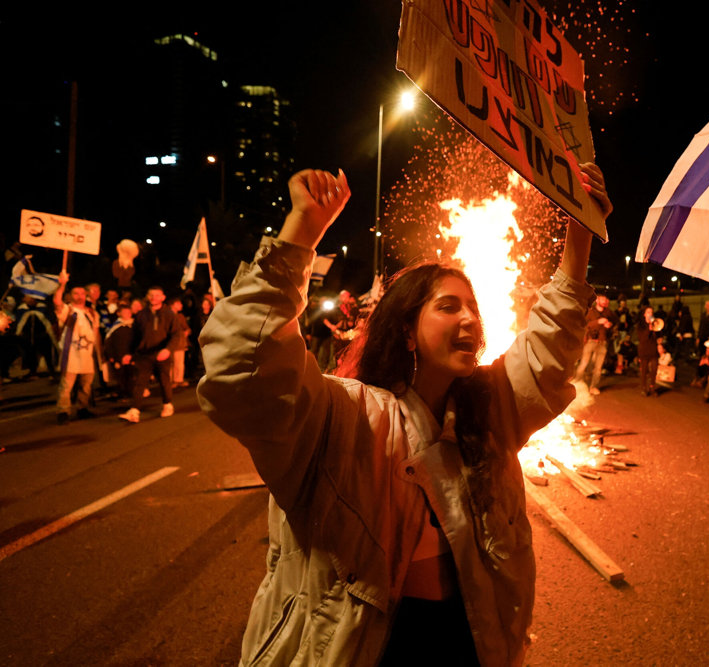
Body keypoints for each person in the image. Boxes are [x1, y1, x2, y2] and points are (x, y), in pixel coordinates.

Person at [198, 164, 611, 666]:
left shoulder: (485, 420)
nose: (469, 319)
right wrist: (302, 230)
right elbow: (244, 366)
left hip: (469, 645)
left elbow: (547, 352)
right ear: (407, 332)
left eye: (473, 309)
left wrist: (579, 234)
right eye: (447, 307)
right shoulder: (344, 416)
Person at [119, 286, 184, 423]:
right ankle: (134, 411)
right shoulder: (141, 315)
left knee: (164, 380)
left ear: (163, 297)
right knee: (139, 382)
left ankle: (167, 404)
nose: (154, 297)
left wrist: (168, 349)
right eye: (151, 295)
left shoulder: (169, 314)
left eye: (157, 295)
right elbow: (134, 337)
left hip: (162, 353)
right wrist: (128, 353)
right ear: (147, 297)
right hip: (144, 355)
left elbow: (176, 334)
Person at [53, 272, 103, 424]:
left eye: (82, 293)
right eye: (76, 293)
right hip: (71, 355)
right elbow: (57, 302)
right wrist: (62, 285)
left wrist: (100, 355)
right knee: (66, 386)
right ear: (70, 295)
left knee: (86, 385)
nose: (80, 296)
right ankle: (63, 411)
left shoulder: (92, 313)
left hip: (87, 355)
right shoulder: (68, 310)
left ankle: (82, 408)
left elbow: (96, 334)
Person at [574, 293, 612, 394]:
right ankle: (576, 383)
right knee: (584, 364)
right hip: (591, 341)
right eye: (602, 299)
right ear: (597, 301)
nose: (604, 301)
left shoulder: (608, 312)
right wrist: (598, 322)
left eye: (605, 299)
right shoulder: (590, 312)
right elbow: (584, 325)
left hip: (602, 342)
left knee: (598, 368)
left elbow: (614, 322)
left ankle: (593, 387)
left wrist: (609, 325)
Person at [635, 306, 660, 396]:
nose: (650, 314)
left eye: (651, 312)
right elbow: (643, 339)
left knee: (654, 369)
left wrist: (655, 330)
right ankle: (644, 387)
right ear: (644, 314)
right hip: (644, 350)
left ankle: (652, 387)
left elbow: (659, 336)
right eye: (648, 312)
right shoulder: (640, 325)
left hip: (653, 350)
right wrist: (649, 329)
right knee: (644, 370)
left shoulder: (655, 324)